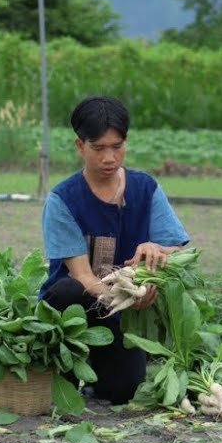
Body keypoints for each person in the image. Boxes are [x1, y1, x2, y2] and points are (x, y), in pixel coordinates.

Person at [38, 94, 191, 405]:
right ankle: (60, 374)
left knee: (125, 391)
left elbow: (177, 249)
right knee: (66, 290)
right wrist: (125, 297)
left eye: (117, 147)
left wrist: (157, 251)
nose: (109, 158)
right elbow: (81, 274)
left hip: (120, 315)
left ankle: (102, 380)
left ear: (126, 142)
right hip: (76, 305)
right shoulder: (64, 199)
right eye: (98, 149)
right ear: (80, 146)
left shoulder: (145, 189)